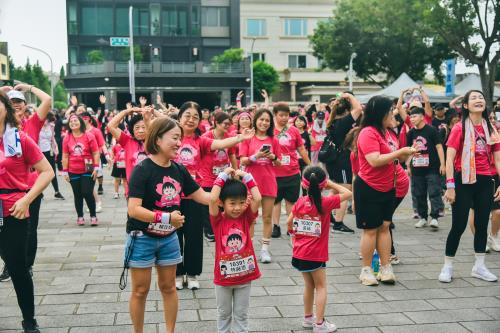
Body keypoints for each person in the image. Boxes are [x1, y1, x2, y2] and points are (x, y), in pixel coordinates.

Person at [124, 117, 210, 333]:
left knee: (169, 287)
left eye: (180, 138)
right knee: (140, 290)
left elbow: (201, 195)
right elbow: (133, 209)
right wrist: (165, 218)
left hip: (169, 239)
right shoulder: (142, 169)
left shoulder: (179, 169)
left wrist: (227, 189)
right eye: (174, 138)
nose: (179, 143)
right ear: (158, 139)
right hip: (141, 237)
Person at [175, 102, 254, 290]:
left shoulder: (200, 140)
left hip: (195, 193)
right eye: (187, 115)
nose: (191, 119)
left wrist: (240, 138)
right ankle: (177, 273)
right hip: (172, 196)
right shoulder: (173, 137)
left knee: (194, 235)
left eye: (195, 116)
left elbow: (220, 143)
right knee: (174, 236)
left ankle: (193, 273)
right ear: (179, 117)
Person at [0, 90, 54, 333]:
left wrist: (26, 199)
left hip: (14, 210)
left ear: (6, 110)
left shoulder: (19, 139)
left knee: (18, 267)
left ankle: (29, 320)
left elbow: (47, 171)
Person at [439, 90, 500, 283]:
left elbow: (498, 159)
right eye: (473, 98)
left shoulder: (492, 128)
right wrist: (450, 186)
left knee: (482, 225)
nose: (478, 100)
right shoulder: (459, 128)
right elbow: (449, 159)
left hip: (485, 181)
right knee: (458, 225)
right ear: (465, 105)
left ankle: (479, 266)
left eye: (481, 97)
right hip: (463, 181)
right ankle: (447, 266)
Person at [355, 96, 416, 286]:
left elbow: (392, 159)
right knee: (370, 230)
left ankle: (385, 267)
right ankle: (366, 270)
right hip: (369, 187)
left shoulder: (388, 133)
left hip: (389, 187)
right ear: (380, 113)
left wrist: (404, 157)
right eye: (390, 111)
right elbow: (374, 160)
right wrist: (400, 153)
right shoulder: (368, 133)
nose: (393, 113)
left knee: (385, 227)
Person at [287, 166, 351, 333]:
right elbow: (347, 194)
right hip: (315, 254)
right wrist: (332, 184)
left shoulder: (300, 202)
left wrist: (294, 235)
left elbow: (289, 222)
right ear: (323, 185)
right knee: (321, 286)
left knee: (308, 285)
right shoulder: (325, 203)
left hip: (299, 252)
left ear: (304, 184)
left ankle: (308, 318)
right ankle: (320, 324)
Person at [208, 167, 262, 333]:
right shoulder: (218, 221)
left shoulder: (246, 217)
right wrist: (223, 175)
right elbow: (212, 198)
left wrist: (246, 176)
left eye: (241, 202)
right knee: (224, 314)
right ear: (222, 203)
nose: (237, 208)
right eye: (232, 203)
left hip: (245, 277)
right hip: (223, 279)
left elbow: (258, 197)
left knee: (241, 315)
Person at [240, 109, 282, 263]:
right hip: (251, 183)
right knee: (251, 217)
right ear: (255, 120)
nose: (264, 123)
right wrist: (256, 156)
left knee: (267, 217)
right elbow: (243, 161)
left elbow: (279, 163)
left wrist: (273, 157)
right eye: (261, 119)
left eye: (267, 121)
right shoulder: (248, 138)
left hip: (269, 182)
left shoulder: (274, 140)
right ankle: (249, 249)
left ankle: (265, 250)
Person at [324, 93, 362, 234]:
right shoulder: (344, 122)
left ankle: (325, 213)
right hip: (342, 161)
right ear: (346, 111)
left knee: (335, 189)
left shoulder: (332, 121)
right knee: (346, 190)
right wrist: (349, 96)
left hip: (333, 161)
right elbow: (358, 108)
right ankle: (338, 223)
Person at [271, 103, 311, 238]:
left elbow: (301, 149)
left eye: (286, 115)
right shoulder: (270, 130)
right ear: (275, 115)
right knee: (276, 202)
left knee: (291, 201)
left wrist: (309, 165)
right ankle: (275, 226)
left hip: (292, 171)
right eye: (281, 115)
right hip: (274, 173)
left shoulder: (293, 130)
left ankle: (290, 226)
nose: (283, 118)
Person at [199, 112, 238, 242]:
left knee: (221, 203)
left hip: (224, 175)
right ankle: (208, 230)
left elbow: (232, 155)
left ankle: (219, 227)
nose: (228, 126)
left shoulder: (229, 138)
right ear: (216, 123)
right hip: (207, 176)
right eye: (225, 124)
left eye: (229, 124)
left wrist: (235, 171)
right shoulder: (206, 137)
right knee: (209, 202)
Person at [406, 107, 445, 229]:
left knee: (434, 192)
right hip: (417, 168)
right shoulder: (411, 133)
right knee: (419, 193)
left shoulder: (432, 130)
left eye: (415, 116)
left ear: (422, 117)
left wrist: (443, 164)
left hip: (432, 167)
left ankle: (434, 217)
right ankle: (423, 217)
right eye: (411, 117)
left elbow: (439, 147)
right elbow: (408, 151)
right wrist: (408, 165)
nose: (412, 119)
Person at [62, 114, 101, 226]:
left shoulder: (89, 136)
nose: (73, 123)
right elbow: (65, 155)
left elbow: (95, 152)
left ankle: (93, 215)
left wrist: (96, 167)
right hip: (73, 170)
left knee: (87, 192)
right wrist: (65, 171)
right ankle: (80, 216)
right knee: (77, 194)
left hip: (88, 169)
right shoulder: (67, 138)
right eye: (71, 122)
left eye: (76, 121)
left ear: (81, 123)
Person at [38, 111, 65, 199]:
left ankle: (57, 191)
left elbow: (52, 138)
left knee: (52, 171)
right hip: (39, 151)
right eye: (44, 119)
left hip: (49, 151)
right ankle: (39, 192)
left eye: (47, 119)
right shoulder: (37, 126)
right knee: (39, 172)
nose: (45, 121)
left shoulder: (51, 126)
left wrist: (55, 147)